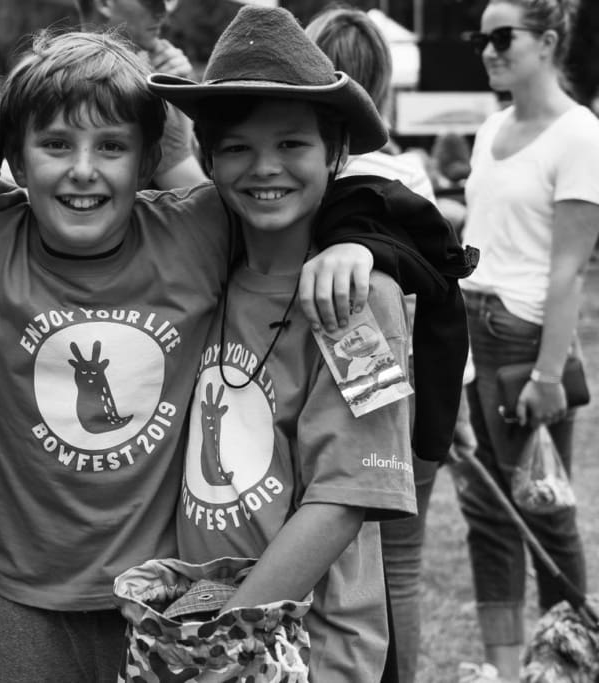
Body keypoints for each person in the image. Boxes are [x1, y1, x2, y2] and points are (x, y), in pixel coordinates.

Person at [0, 23, 472, 678]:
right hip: (40, 604)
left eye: (111, 147)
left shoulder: (215, 238)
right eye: (57, 144)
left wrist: (361, 244)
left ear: (150, 157)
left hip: (193, 613)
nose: (83, 171)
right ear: (14, 160)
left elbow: (374, 209)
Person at [149, 5, 417, 680]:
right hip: (205, 625)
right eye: (237, 147)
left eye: (292, 143)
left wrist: (227, 634)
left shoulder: (358, 301)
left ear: (335, 152)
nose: (264, 167)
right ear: (206, 158)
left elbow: (343, 499)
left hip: (304, 648)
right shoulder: (203, 276)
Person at [455, 0, 599, 679]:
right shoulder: (491, 128)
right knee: (486, 512)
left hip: (524, 340)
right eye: (481, 37)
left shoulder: (579, 134)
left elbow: (569, 267)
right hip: (471, 328)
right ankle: (505, 668)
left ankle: (571, 660)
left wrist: (548, 374)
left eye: (502, 36)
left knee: (543, 509)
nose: (488, 49)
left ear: (546, 41)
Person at [304, 7, 444, 682]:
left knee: (363, 570)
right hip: (417, 403)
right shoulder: (407, 178)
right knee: (396, 569)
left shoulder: (349, 196)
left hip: (376, 394)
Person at [74, 0, 208, 189]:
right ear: (104, 3)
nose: (163, 15)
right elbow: (195, 197)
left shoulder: (52, 69)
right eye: (152, 4)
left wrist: (182, 95)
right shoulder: (134, 89)